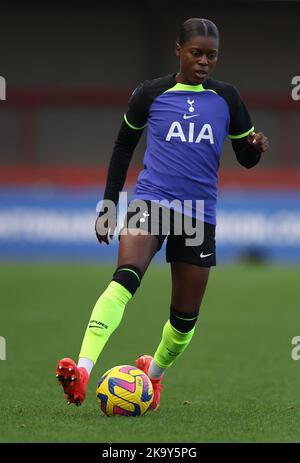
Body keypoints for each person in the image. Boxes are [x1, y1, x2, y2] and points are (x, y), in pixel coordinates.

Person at [56, 18, 269, 409]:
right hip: (151, 203)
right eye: (197, 53)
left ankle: (152, 377)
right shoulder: (150, 93)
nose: (204, 61)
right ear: (179, 50)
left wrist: (254, 147)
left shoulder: (228, 98)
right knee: (125, 278)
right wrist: (108, 204)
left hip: (197, 214)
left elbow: (244, 157)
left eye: (212, 55)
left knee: (184, 320)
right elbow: (123, 147)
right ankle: (83, 371)